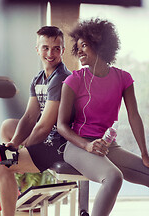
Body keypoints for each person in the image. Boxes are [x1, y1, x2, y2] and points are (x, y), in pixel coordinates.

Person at [57, 18, 149, 216]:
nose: (79, 51)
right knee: (114, 177)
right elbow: (61, 126)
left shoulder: (123, 78)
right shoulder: (74, 80)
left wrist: (144, 153)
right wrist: (86, 145)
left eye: (84, 45)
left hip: (107, 146)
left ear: (100, 45)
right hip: (77, 146)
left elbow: (134, 116)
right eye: (78, 46)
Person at [0, 26, 71, 216]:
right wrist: (14, 143)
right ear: (37, 49)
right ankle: (8, 189)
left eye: (56, 48)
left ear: (63, 51)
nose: (50, 53)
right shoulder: (38, 79)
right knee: (8, 127)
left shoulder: (61, 79)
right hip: (46, 137)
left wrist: (21, 149)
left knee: (2, 165)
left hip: (58, 144)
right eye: (45, 48)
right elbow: (29, 117)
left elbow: (44, 126)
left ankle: (7, 190)